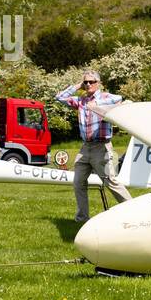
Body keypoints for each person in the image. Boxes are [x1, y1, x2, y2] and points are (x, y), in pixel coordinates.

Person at [56, 70, 132, 223]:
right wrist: (78, 85)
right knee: (78, 182)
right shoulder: (81, 100)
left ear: (98, 83)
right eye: (86, 82)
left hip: (102, 147)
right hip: (85, 148)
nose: (88, 84)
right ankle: (82, 218)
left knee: (110, 181)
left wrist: (98, 105)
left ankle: (134, 209)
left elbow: (122, 101)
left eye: (92, 81)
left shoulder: (106, 98)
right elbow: (60, 97)